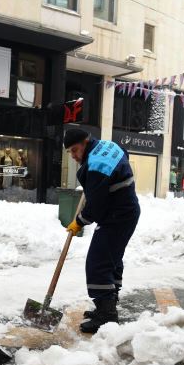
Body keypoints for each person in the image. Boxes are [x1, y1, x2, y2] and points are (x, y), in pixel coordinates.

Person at [63, 129, 140, 334]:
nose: (73, 156)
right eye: (70, 153)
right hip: (124, 211)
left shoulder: (96, 167)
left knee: (98, 263)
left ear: (86, 142)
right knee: (111, 259)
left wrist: (79, 222)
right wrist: (103, 185)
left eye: (75, 150)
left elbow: (95, 207)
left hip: (117, 215)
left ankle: (107, 316)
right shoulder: (108, 146)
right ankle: (107, 306)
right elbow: (124, 153)